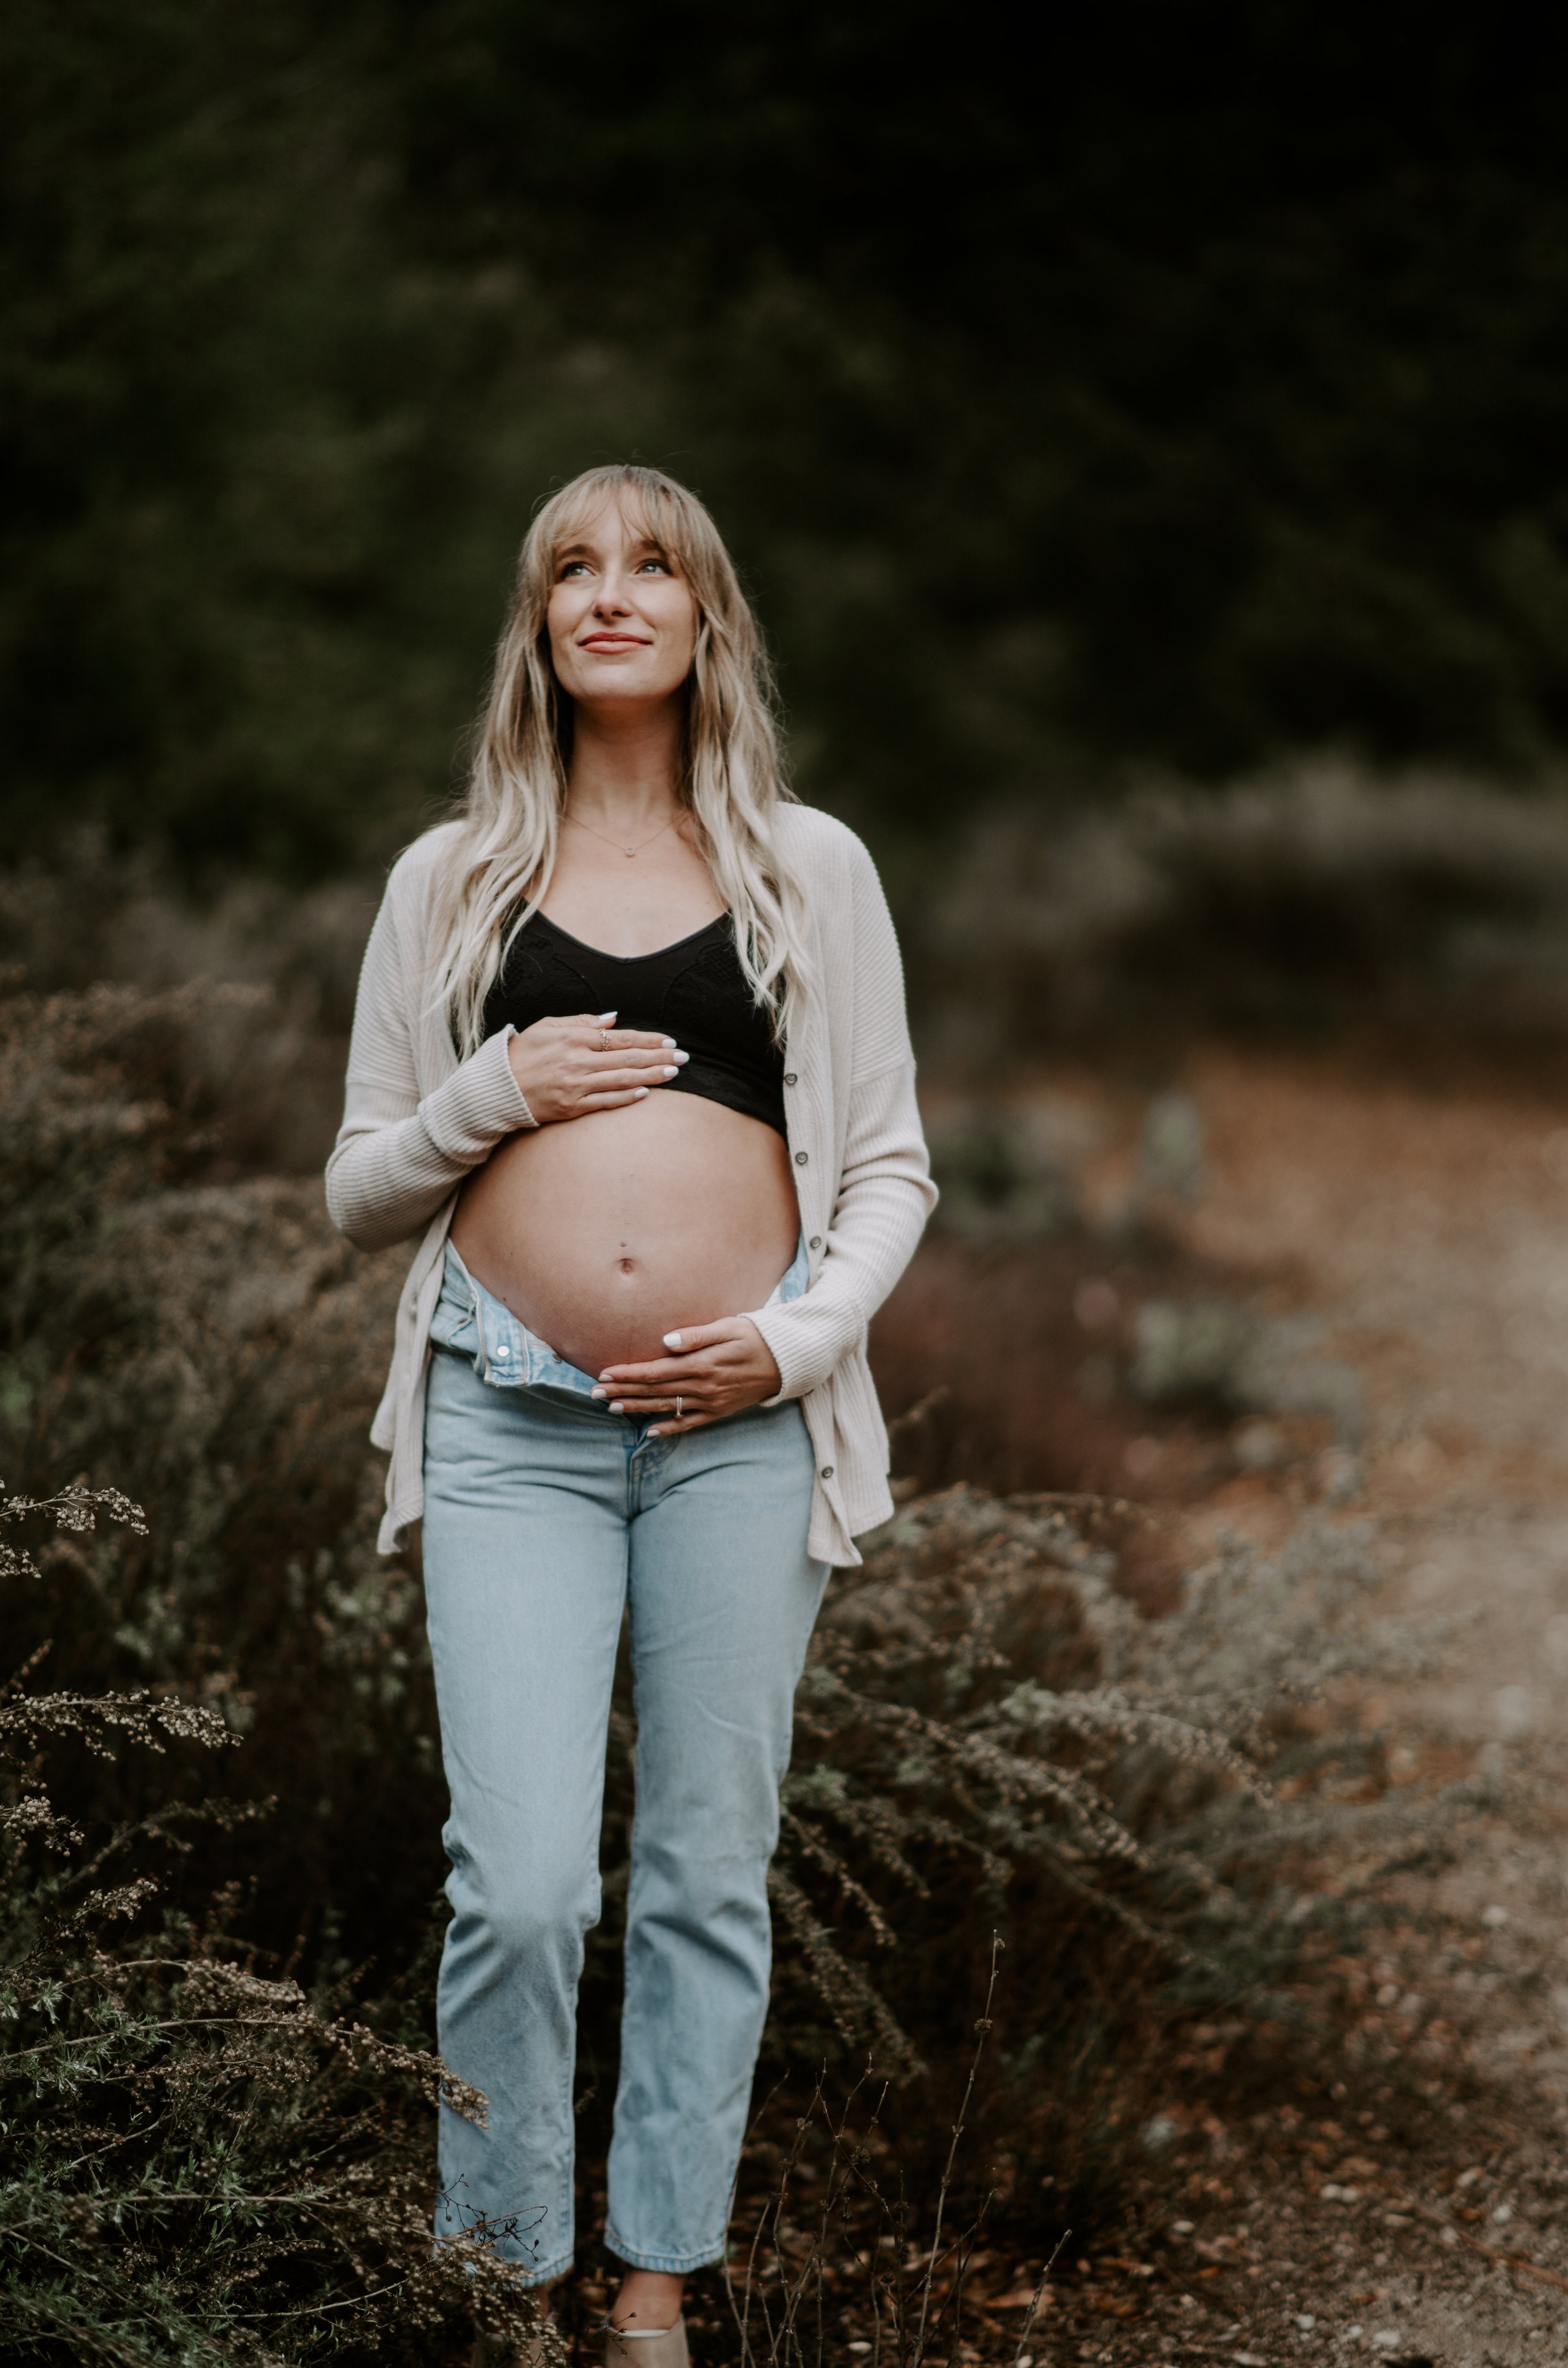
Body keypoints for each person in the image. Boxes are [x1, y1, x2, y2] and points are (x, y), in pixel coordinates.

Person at [326, 463, 934, 2366]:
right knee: (516, 1889)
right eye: (572, 568)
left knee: (700, 1879)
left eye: (652, 565)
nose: (610, 593)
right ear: (535, 622)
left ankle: (656, 2287)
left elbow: (889, 1167)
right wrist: (489, 1092)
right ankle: (510, 2279)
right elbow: (357, 1185)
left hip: (736, 1436)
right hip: (507, 1420)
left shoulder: (809, 868)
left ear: (704, 619)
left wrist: (795, 1345)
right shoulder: (449, 880)